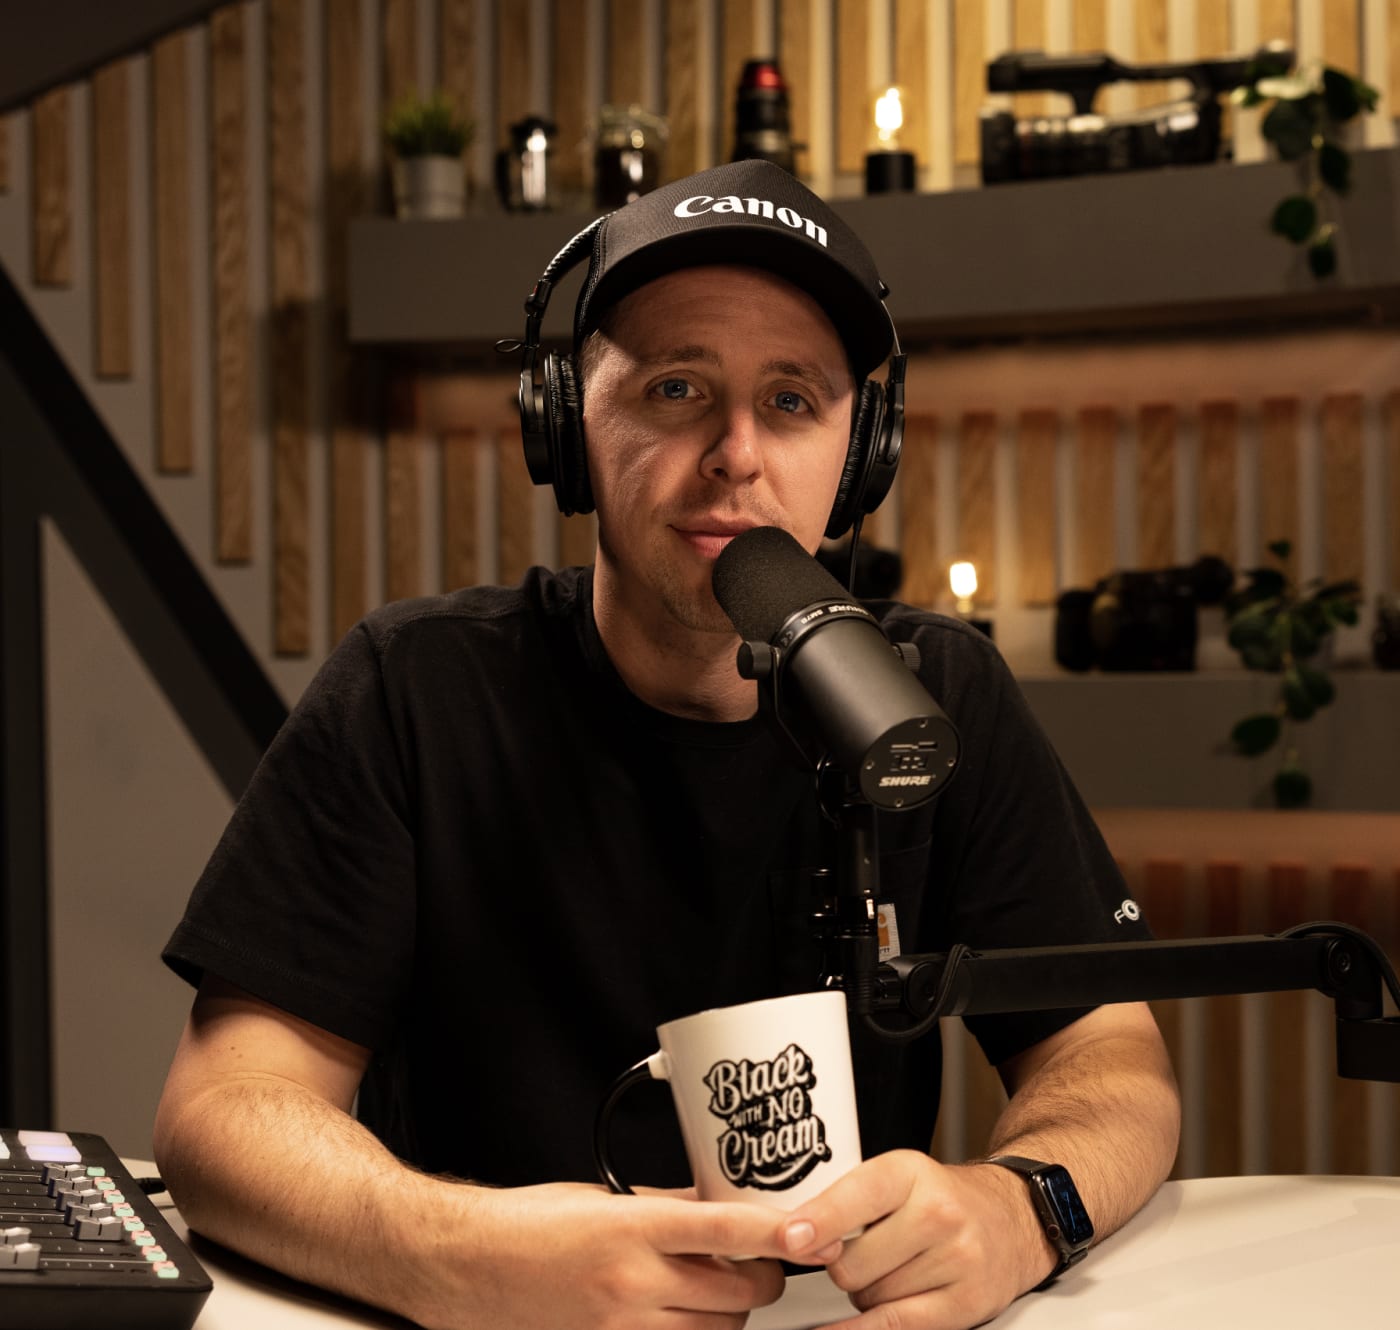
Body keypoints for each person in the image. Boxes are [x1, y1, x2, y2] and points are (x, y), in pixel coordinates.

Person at [155, 159, 1180, 1330]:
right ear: (565, 427)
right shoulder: (413, 688)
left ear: (863, 453)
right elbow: (222, 1109)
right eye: (678, 388)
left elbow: (1108, 1057)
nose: (737, 454)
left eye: (791, 400)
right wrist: (466, 1257)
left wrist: (1019, 1207)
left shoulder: (936, 691)